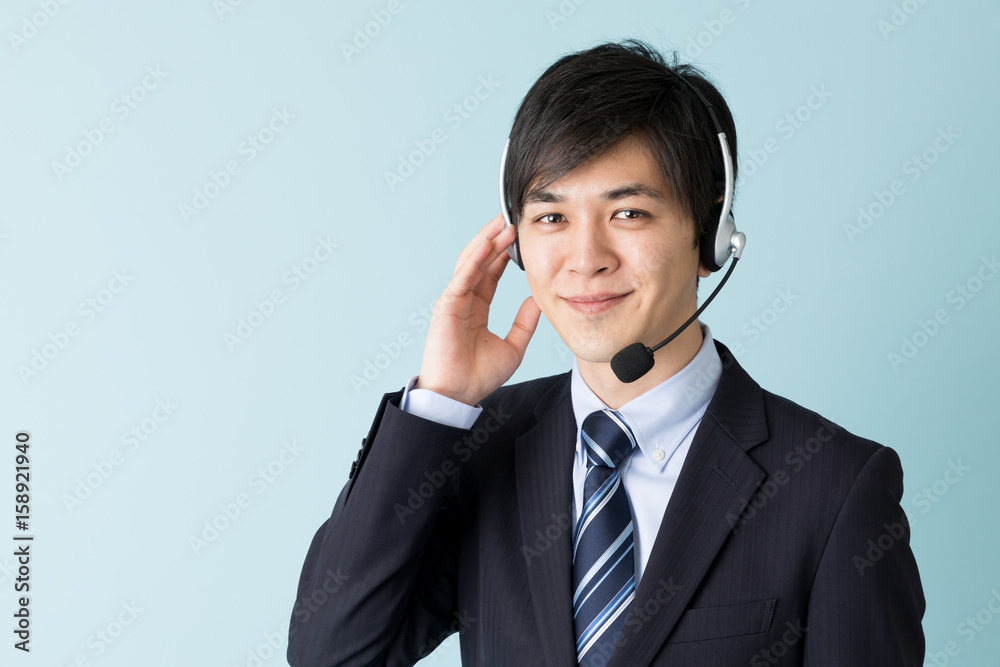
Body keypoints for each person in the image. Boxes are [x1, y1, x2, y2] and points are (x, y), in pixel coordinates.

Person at [287, 39, 925, 666]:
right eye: (551, 218)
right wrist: (439, 403)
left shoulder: (835, 487)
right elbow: (331, 653)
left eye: (628, 213)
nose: (586, 259)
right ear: (516, 245)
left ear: (712, 237)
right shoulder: (479, 449)